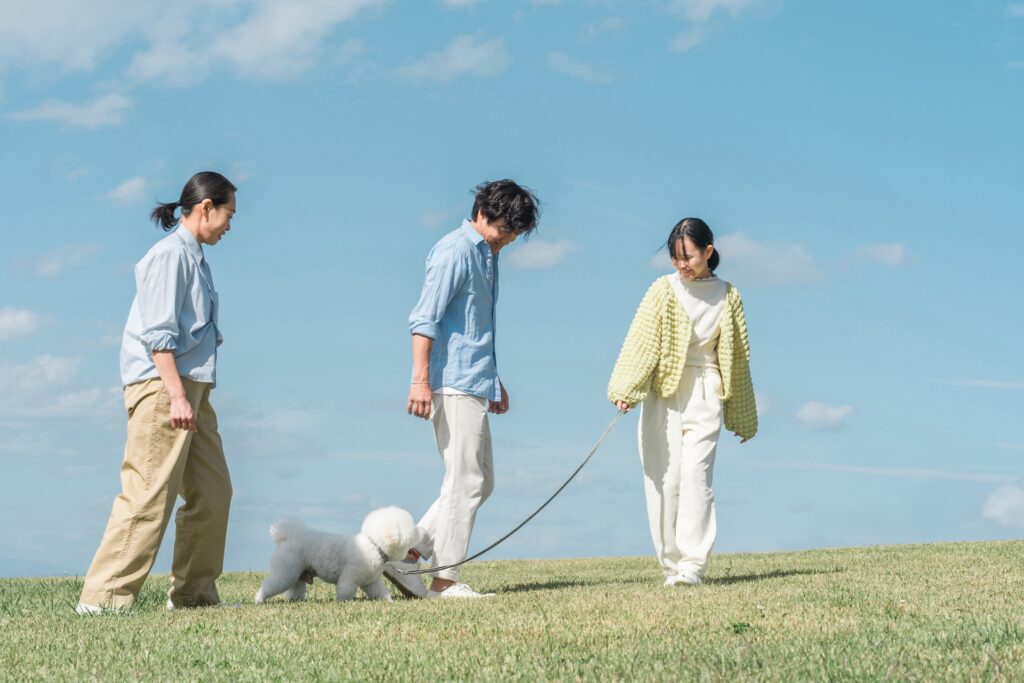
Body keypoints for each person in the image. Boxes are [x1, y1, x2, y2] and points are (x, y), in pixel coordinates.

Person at [76, 172, 237, 614]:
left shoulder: (196, 259)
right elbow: (159, 335)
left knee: (213, 491)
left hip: (193, 389)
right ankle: (103, 598)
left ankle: (194, 595)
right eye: (228, 214)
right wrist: (177, 395)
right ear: (206, 208)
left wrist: (192, 395)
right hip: (165, 386)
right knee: (149, 491)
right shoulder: (169, 257)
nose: (229, 225)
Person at [384, 179, 540, 599]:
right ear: (486, 214)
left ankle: (407, 558)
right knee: (465, 479)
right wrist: (419, 381)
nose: (509, 240)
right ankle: (444, 581)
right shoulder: (455, 250)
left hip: (474, 379)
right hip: (450, 382)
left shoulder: (487, 255)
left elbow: (472, 328)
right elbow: (425, 318)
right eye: (507, 230)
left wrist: (494, 379)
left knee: (478, 481)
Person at [608, 217, 757, 587]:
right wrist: (627, 388)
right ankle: (671, 564)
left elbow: (737, 357)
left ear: (708, 252)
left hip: (706, 390)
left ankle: (693, 565)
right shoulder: (662, 290)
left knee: (696, 476)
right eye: (675, 258)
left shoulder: (728, 294)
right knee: (665, 479)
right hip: (664, 393)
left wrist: (741, 414)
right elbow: (641, 343)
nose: (682, 265)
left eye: (688, 257)